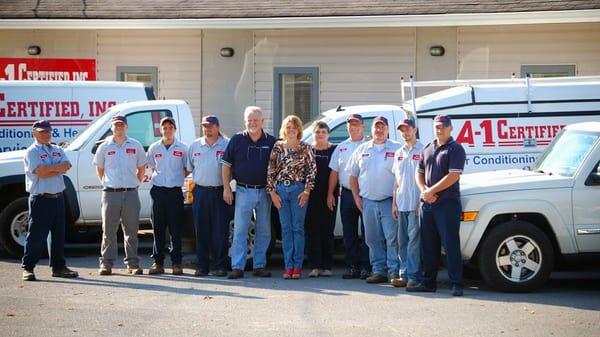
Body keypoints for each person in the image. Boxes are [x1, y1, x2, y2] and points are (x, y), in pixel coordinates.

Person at [408, 115, 466, 296]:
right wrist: (424, 191)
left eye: (442, 127)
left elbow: (453, 176)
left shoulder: (456, 149)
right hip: (428, 205)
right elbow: (419, 173)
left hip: (447, 204)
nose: (439, 130)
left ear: (450, 128)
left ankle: (456, 283)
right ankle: (428, 282)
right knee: (428, 245)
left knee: (450, 245)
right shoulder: (428, 148)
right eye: (436, 127)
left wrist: (431, 191)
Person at [222, 106, 277, 279]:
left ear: (262, 121)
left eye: (255, 120)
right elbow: (226, 165)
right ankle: (237, 267)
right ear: (245, 122)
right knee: (240, 229)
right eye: (249, 120)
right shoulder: (237, 140)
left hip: (265, 192)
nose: (252, 123)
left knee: (264, 230)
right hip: (243, 190)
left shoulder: (272, 141)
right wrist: (226, 188)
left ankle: (259, 266)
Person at [21, 120, 79, 281]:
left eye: (48, 131)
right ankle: (28, 267)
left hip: (58, 198)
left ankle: (58, 267)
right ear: (34, 133)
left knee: (58, 235)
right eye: (42, 132)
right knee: (36, 235)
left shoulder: (57, 149)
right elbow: (41, 172)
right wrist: (56, 168)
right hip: (41, 199)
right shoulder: (32, 152)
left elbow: (67, 166)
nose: (46, 134)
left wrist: (51, 168)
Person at [348, 116, 401, 285]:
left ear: (387, 130)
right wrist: (356, 197)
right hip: (368, 201)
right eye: (376, 127)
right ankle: (378, 270)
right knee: (371, 238)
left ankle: (394, 272)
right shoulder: (362, 149)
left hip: (388, 201)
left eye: (382, 127)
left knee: (392, 238)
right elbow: (352, 176)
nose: (379, 130)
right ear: (371, 130)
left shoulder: (397, 148)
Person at [94, 115, 147, 276]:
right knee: (108, 231)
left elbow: (141, 168)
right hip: (110, 194)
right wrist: (108, 183)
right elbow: (100, 169)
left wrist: (134, 184)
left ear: (126, 127)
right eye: (116, 125)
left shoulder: (135, 145)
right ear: (112, 127)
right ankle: (106, 264)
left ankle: (132, 264)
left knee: (131, 231)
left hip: (131, 193)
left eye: (122, 125)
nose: (119, 128)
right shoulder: (104, 147)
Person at [267, 115, 317, 279]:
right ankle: (288, 267)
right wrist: (272, 193)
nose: (291, 130)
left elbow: (312, 171)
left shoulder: (305, 147)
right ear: (284, 129)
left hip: (298, 191)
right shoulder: (277, 147)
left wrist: (307, 192)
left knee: (298, 228)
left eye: (294, 127)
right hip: (281, 190)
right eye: (288, 127)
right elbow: (271, 171)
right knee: (286, 229)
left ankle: (297, 266)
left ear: (299, 130)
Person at [327, 114, 371, 279]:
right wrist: (330, 193)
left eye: (356, 124)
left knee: (368, 233)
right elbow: (334, 172)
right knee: (349, 232)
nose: (353, 127)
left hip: (366, 194)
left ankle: (368, 266)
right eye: (350, 125)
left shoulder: (369, 145)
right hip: (346, 194)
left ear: (362, 126)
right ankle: (352, 266)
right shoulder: (341, 147)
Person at [187, 115, 231, 277]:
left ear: (218, 127)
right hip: (200, 191)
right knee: (201, 230)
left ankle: (220, 265)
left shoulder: (227, 145)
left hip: (220, 191)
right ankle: (202, 266)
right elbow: (189, 168)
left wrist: (227, 188)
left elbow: (232, 168)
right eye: (205, 126)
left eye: (211, 126)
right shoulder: (195, 146)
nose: (207, 129)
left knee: (220, 231)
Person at [146, 116, 188, 276]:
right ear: (160, 130)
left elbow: (187, 168)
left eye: (170, 127)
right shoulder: (154, 148)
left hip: (175, 192)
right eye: (164, 128)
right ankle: (158, 263)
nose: (167, 130)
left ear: (174, 129)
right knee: (157, 228)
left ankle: (177, 263)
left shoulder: (182, 148)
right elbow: (149, 166)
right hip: (158, 192)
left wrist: (177, 178)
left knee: (175, 229)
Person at [391, 118, 424, 288]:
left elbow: (428, 178)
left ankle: (413, 276)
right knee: (402, 241)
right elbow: (396, 180)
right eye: (402, 130)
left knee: (413, 242)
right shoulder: (399, 153)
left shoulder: (424, 150)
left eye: (407, 129)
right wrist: (394, 203)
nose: (405, 133)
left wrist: (422, 200)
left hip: (416, 204)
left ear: (414, 129)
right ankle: (404, 274)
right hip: (401, 203)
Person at [305, 121, 338, 278]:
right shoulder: (308, 150)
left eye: (323, 132)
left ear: (328, 134)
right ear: (313, 133)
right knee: (312, 231)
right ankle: (315, 266)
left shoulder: (334, 150)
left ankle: (327, 266)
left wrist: (330, 194)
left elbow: (335, 172)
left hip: (329, 195)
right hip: (310, 196)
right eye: (317, 132)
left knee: (327, 230)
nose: (320, 134)